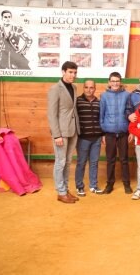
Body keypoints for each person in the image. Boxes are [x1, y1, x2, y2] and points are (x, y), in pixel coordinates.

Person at [47, 61, 80, 204]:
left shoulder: (74, 87)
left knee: (67, 162)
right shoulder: (55, 89)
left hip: (73, 130)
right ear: (63, 72)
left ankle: (65, 189)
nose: (73, 75)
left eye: (74, 72)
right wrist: (56, 135)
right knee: (60, 162)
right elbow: (51, 114)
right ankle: (60, 192)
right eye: (70, 72)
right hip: (61, 132)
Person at [99, 71, 132, 194]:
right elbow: (101, 115)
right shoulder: (104, 96)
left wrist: (131, 131)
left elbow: (130, 113)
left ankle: (126, 184)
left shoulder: (127, 95)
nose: (115, 83)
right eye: (113, 81)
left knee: (124, 159)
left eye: (117, 81)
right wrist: (102, 133)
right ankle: (109, 184)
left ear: (120, 82)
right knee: (110, 159)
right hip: (109, 133)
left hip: (124, 132)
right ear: (109, 82)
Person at [75, 79, 104, 196]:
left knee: (94, 162)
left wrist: (102, 135)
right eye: (86, 87)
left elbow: (100, 119)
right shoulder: (78, 101)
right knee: (81, 162)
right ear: (83, 88)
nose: (89, 90)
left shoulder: (99, 102)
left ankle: (93, 185)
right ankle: (79, 186)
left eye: (91, 87)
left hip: (96, 138)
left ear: (95, 89)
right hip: (83, 138)